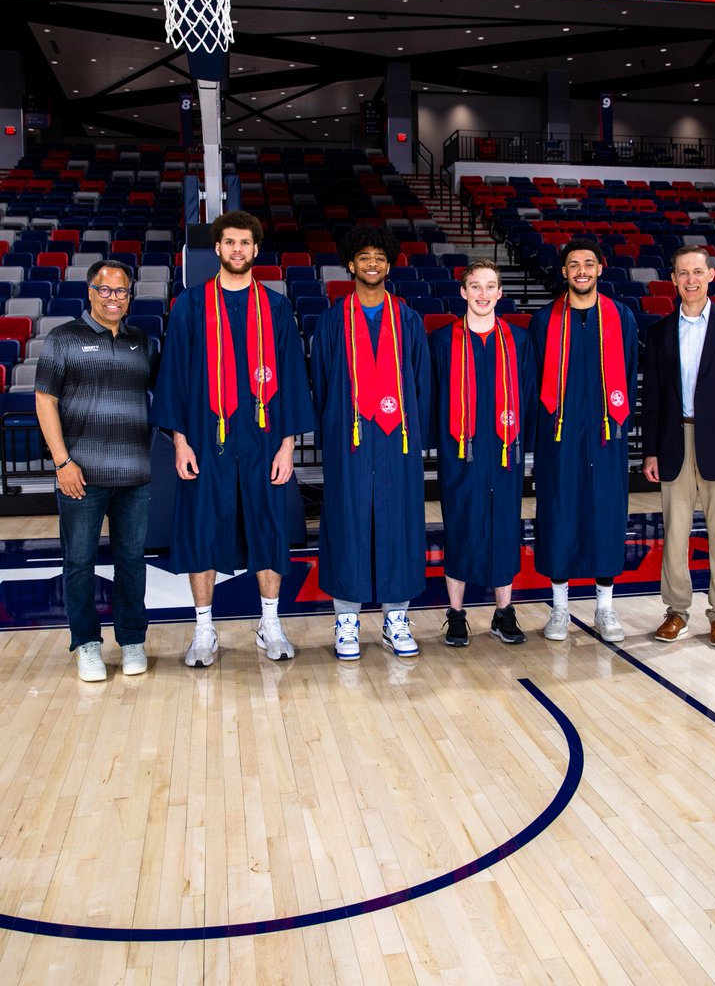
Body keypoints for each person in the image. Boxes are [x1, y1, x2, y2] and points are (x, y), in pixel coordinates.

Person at [150, 210, 314, 667]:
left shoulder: (276, 308)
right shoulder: (191, 305)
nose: (238, 250)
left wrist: (287, 446)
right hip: (206, 436)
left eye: (245, 243)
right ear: (217, 249)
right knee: (201, 529)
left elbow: (293, 380)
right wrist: (180, 441)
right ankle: (204, 629)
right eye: (230, 243)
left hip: (262, 439)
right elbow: (176, 378)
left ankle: (270, 623)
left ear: (255, 249)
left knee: (268, 527)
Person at [310, 226, 430, 660]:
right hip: (352, 439)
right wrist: (334, 433)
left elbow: (420, 384)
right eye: (364, 257)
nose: (372, 263)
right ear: (350, 264)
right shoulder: (331, 321)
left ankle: (396, 618)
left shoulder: (409, 320)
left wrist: (416, 436)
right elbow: (322, 383)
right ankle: (346, 619)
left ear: (389, 263)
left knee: (399, 524)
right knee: (348, 523)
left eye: (380, 256)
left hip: (397, 440)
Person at [35, 260, 153, 682]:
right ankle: (86, 644)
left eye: (121, 292)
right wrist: (63, 462)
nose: (114, 298)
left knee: (132, 563)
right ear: (90, 292)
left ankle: (133, 640)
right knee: (80, 564)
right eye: (105, 291)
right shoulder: (63, 339)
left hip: (135, 477)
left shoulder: (143, 342)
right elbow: (44, 400)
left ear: (129, 297)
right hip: (80, 477)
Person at [642, 245, 715, 647]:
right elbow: (653, 397)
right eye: (682, 273)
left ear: (711, 276)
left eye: (697, 272)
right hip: (674, 442)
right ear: (672, 280)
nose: (690, 279)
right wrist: (650, 450)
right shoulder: (658, 332)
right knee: (674, 534)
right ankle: (676, 611)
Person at [528, 237, 638, 642]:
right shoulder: (544, 321)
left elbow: (626, 375)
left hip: (606, 433)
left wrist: (614, 421)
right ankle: (559, 609)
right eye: (574, 265)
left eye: (588, 264)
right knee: (559, 515)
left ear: (600, 268)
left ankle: (605, 609)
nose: (581, 271)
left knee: (605, 516)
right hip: (559, 435)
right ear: (564, 272)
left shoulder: (621, 317)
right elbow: (536, 379)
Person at [429, 260, 535, 646]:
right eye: (475, 286)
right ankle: (456, 614)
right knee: (459, 526)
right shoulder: (442, 341)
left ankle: (503, 611)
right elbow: (435, 397)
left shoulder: (518, 341)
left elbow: (526, 398)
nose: (483, 294)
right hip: (461, 450)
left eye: (491, 286)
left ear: (500, 293)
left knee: (505, 527)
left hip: (505, 451)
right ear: (463, 292)